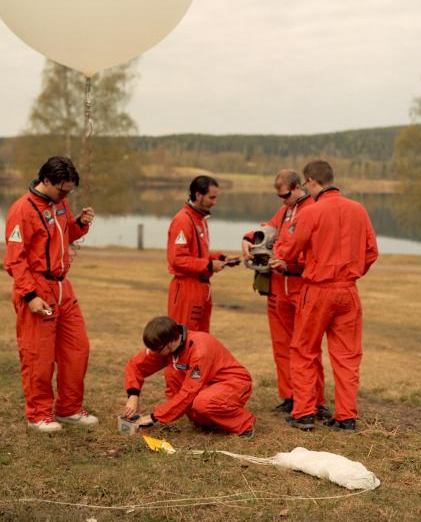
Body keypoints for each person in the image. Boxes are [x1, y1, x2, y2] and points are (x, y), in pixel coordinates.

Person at [272, 160, 378, 432]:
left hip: (318, 290)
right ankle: (345, 417)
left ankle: (304, 412)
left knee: (304, 349)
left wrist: (280, 255)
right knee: (347, 355)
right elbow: (371, 252)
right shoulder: (358, 209)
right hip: (348, 291)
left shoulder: (312, 212)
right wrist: (352, 272)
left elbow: (290, 249)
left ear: (309, 181)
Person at [4, 156, 98, 433]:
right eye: (62, 190)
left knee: (77, 348)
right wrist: (30, 295)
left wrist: (80, 223)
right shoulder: (22, 210)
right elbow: (14, 259)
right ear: (46, 181)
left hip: (62, 287)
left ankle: (69, 409)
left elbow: (65, 234)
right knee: (38, 355)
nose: (65, 195)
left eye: (69, 191)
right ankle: (39, 414)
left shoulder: (60, 203)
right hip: (36, 287)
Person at [242, 169, 328, 418]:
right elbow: (269, 227)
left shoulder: (312, 207)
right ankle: (290, 396)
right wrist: (248, 239)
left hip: (301, 285)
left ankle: (315, 400)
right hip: (278, 287)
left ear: (298, 187)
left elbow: (316, 249)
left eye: (285, 195)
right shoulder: (286, 210)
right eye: (279, 196)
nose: (282, 199)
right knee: (282, 345)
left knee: (306, 348)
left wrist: (289, 263)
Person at [123, 316, 256, 437]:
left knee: (203, 402)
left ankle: (244, 423)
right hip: (209, 382)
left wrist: (154, 417)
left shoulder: (199, 350)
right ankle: (208, 421)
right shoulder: (167, 346)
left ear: (169, 343)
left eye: (156, 350)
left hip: (234, 383)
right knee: (173, 374)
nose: (154, 353)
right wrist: (133, 395)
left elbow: (189, 392)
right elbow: (136, 365)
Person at [167, 175, 240, 333]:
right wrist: (208, 265)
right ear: (198, 195)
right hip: (187, 288)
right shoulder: (183, 220)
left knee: (201, 339)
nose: (214, 202)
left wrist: (222, 258)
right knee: (185, 338)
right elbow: (177, 259)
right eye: (211, 197)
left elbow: (199, 254)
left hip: (202, 288)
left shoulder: (201, 220)